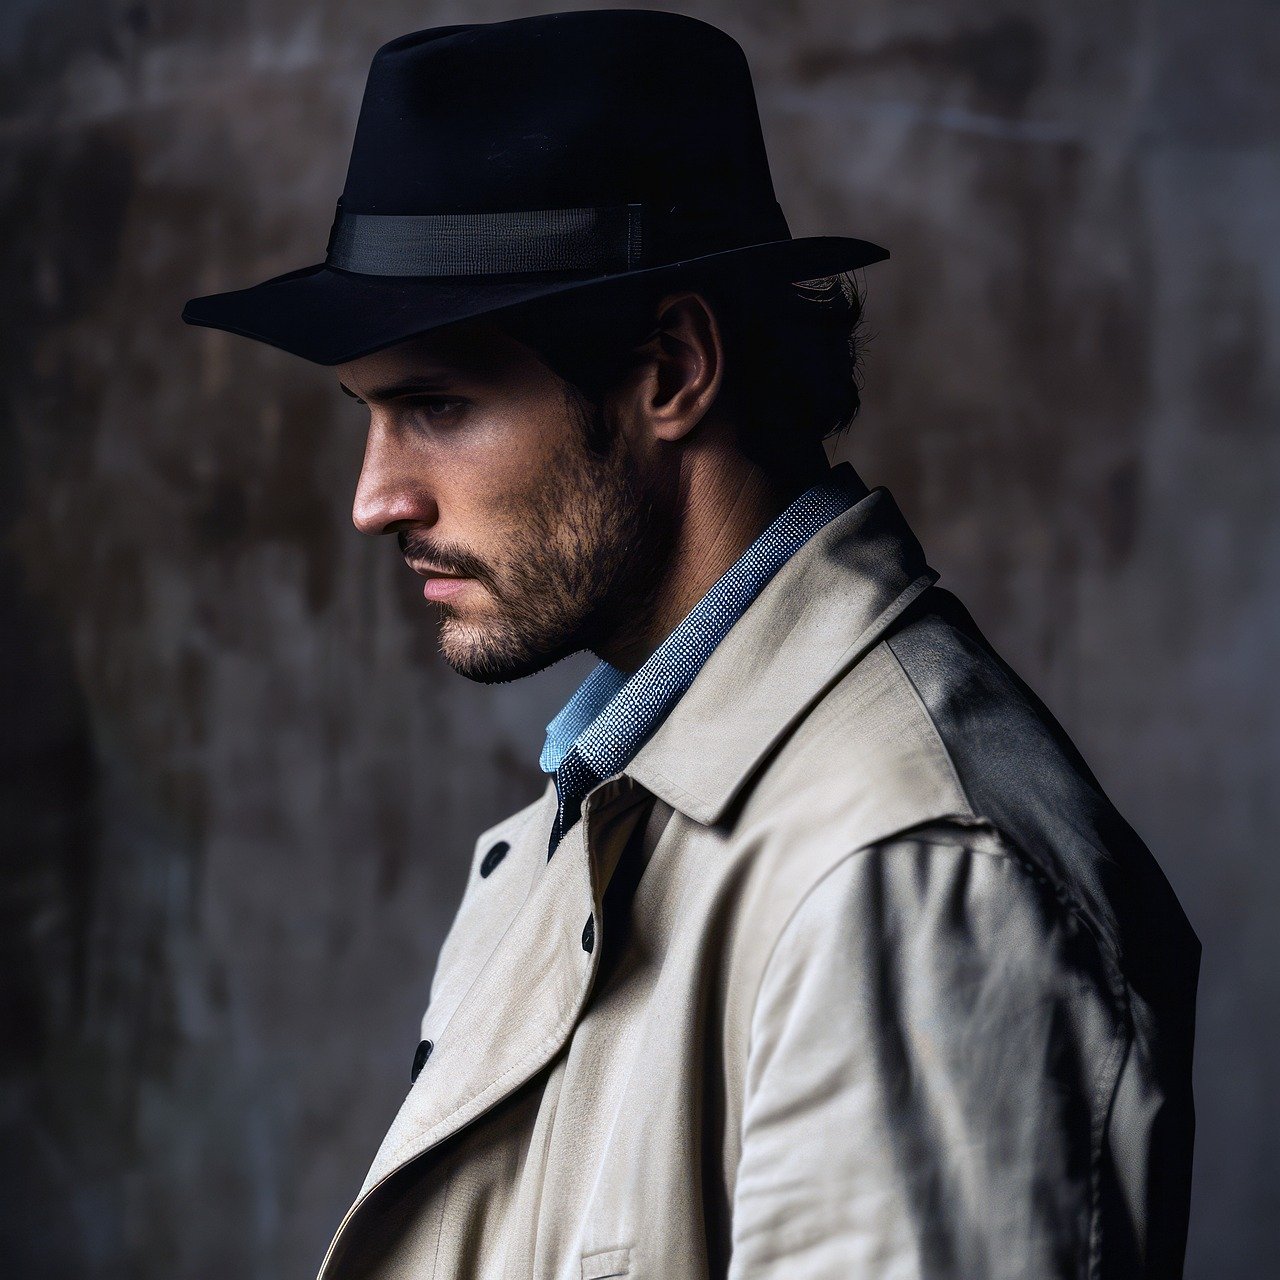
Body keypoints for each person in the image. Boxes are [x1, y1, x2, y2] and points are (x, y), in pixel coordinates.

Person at [182, 11, 1199, 1279]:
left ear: (670, 369)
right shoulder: (611, 805)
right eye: (368, 416)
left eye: (436, 405)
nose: (375, 496)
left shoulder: (905, 875)